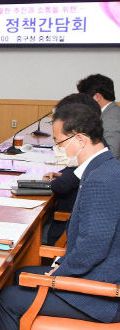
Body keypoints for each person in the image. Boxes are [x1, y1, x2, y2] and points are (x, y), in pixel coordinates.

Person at [0, 102, 120, 330]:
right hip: (100, 273)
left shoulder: (101, 179)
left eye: (60, 141)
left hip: (103, 296)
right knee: (16, 276)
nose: (58, 148)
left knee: (6, 300)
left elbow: (93, 248)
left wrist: (57, 275)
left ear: (81, 139)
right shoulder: (104, 167)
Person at [41, 93, 101, 245]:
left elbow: (62, 185)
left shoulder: (95, 164)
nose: (58, 148)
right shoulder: (99, 151)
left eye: (59, 142)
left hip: (64, 232)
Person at [77, 73, 120, 159]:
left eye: (86, 98)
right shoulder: (107, 112)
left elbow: (111, 155)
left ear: (97, 97)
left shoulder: (111, 118)